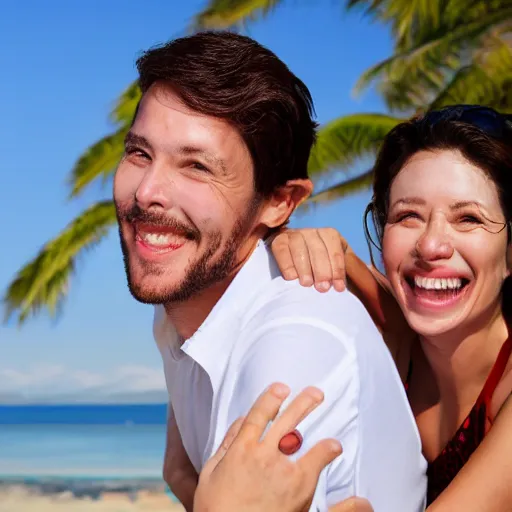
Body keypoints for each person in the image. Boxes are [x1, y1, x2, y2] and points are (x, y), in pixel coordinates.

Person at [113, 31, 426, 511]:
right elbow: (186, 477)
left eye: (196, 166)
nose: (147, 191)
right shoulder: (181, 306)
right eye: (140, 153)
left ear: (280, 202)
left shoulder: (294, 348)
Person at [267, 105, 512, 510]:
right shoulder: (393, 326)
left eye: (468, 218)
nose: (431, 245)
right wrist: (297, 242)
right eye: (408, 216)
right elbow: (339, 257)